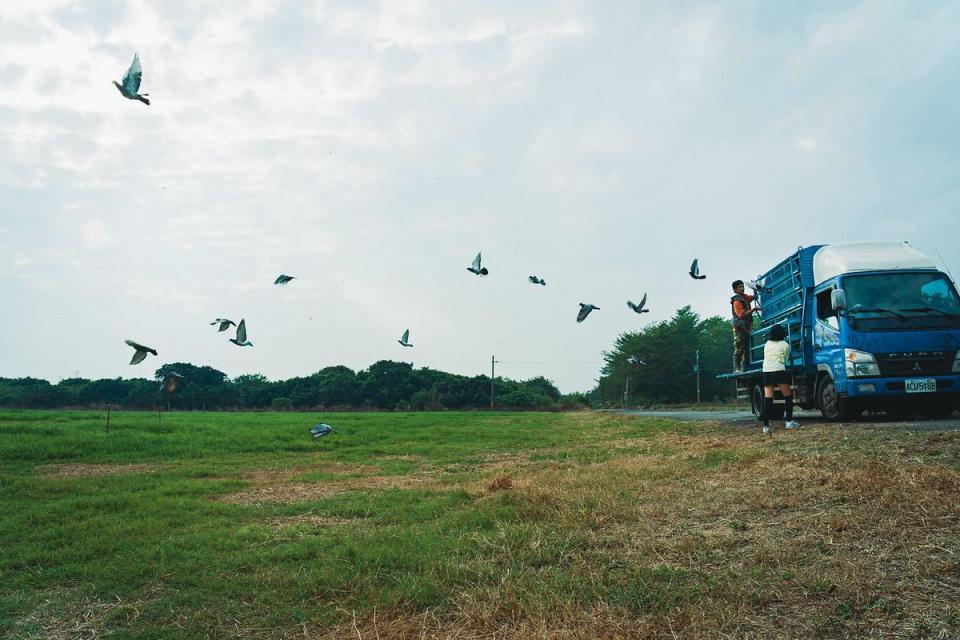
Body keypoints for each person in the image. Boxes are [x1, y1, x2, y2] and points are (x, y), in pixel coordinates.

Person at [760, 323, 800, 435]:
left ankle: (765, 427)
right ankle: (789, 422)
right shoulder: (785, 345)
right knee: (787, 396)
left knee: (768, 399)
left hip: (767, 371)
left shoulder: (767, 344)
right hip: (779, 370)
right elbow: (785, 359)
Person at [730, 280, 758, 371]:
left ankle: (744, 368)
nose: (742, 288)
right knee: (739, 349)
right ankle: (737, 369)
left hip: (746, 328)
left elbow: (753, 297)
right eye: (740, 287)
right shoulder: (736, 301)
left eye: (743, 286)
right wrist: (753, 310)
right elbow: (741, 315)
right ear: (735, 290)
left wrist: (755, 288)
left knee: (746, 349)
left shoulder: (744, 297)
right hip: (739, 329)